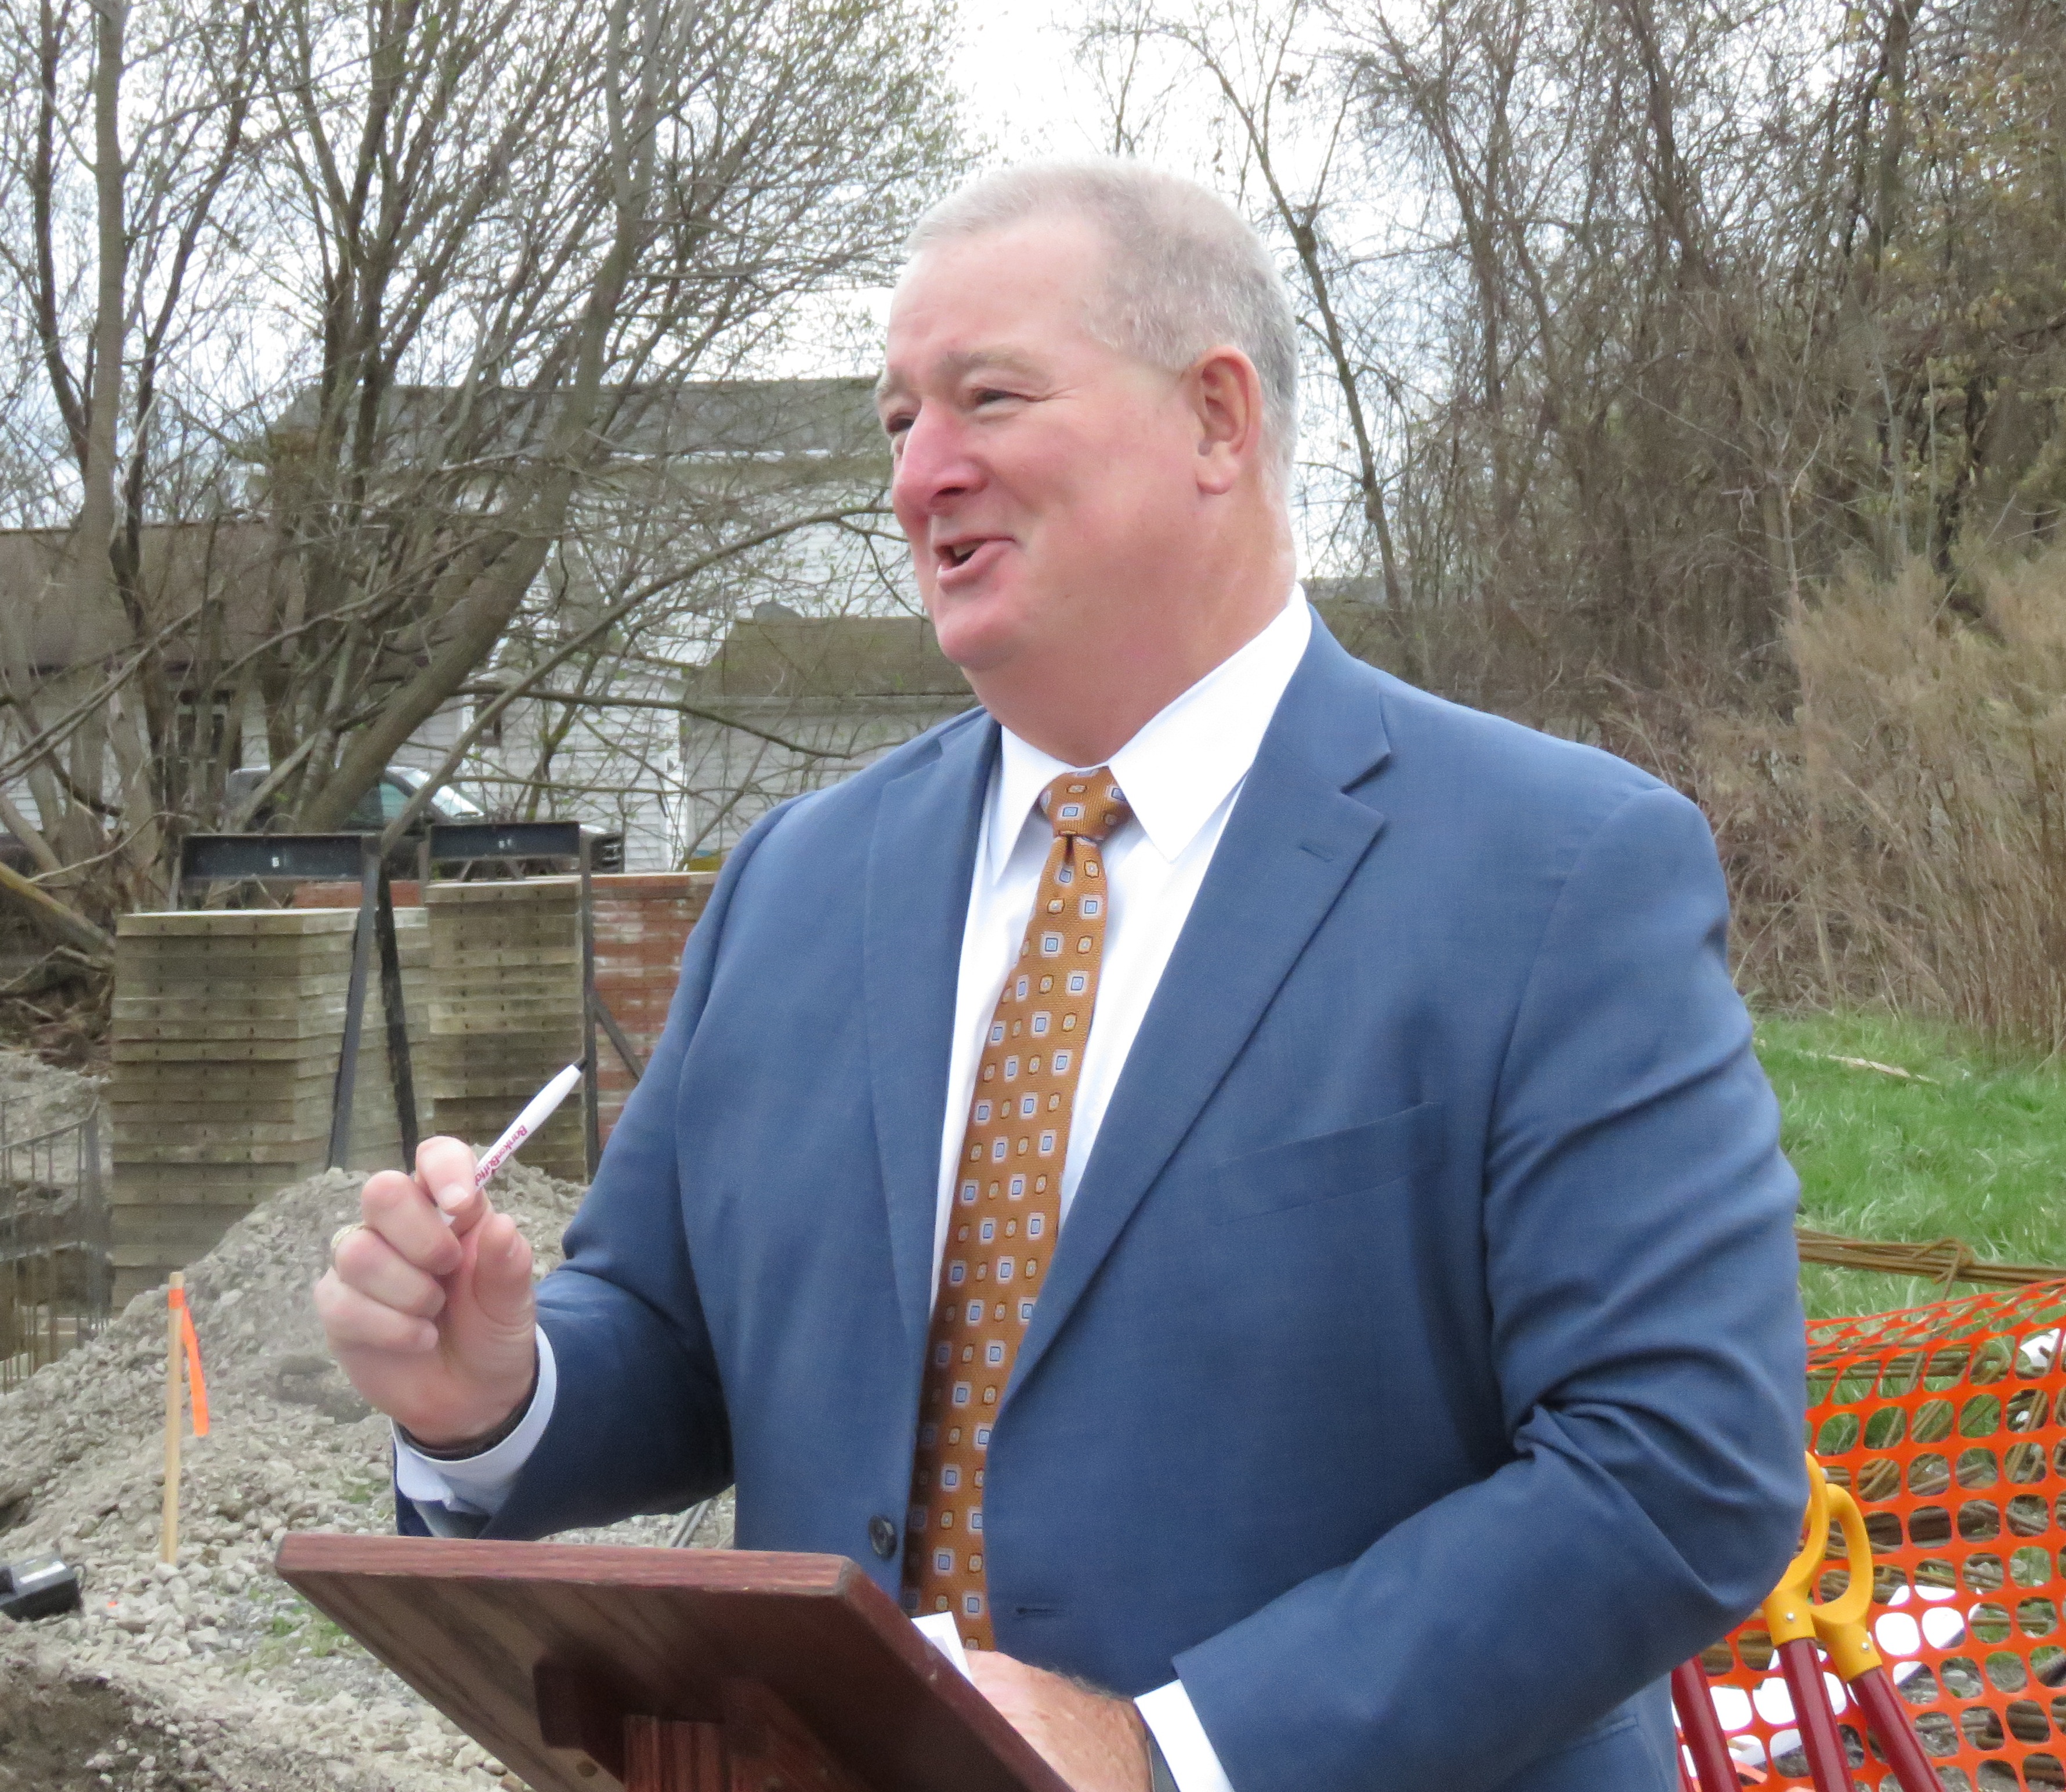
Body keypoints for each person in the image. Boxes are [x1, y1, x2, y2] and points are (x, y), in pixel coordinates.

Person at [316, 161, 1807, 1792]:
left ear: (1216, 421)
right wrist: (498, 1393)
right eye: (897, 421)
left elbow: (1677, 1466)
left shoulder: (1557, 870)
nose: (919, 475)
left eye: (989, 399)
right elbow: (678, 1334)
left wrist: (1166, 1755)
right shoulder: (798, 880)